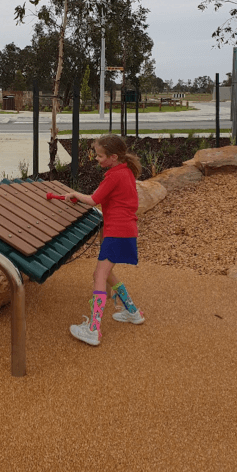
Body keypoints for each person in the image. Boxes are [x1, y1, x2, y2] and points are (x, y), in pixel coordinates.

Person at [64, 135, 145, 346]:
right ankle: (133, 312)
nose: (97, 159)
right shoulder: (126, 172)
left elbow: (93, 200)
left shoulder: (113, 176)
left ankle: (93, 329)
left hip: (116, 232)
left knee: (99, 275)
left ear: (114, 157)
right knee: (107, 273)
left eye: (100, 156)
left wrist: (74, 194)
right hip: (127, 231)